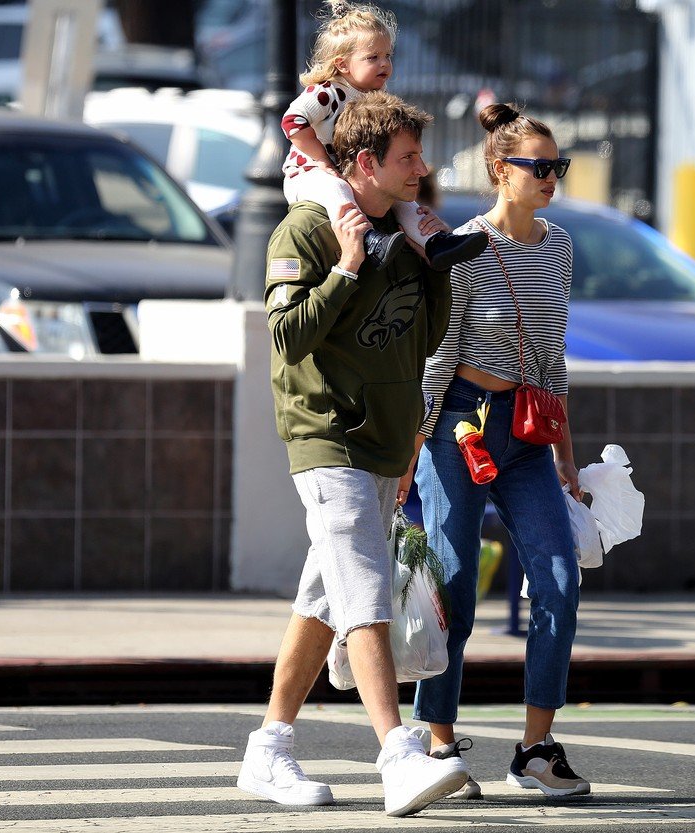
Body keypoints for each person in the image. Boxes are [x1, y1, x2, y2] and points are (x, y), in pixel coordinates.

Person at [236, 90, 469, 818]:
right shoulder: (304, 232)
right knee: (363, 590)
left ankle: (269, 747)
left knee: (320, 600)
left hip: (383, 444)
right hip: (327, 436)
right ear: (363, 163)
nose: (421, 170)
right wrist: (344, 267)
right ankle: (397, 754)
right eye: (408, 158)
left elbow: (423, 341)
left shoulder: (403, 236)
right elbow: (286, 339)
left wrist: (434, 267)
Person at [398, 102, 590, 799]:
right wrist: (408, 456)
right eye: (537, 167)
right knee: (454, 589)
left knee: (560, 583)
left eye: (556, 166)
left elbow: (554, 356)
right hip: (461, 427)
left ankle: (536, 751)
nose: (550, 177)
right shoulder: (465, 249)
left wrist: (567, 455)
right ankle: (441, 743)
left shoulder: (560, 246)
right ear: (497, 169)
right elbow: (437, 360)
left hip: (530, 434)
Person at [281, 0, 485, 271]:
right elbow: (292, 121)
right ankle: (368, 239)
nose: (384, 64)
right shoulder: (328, 91)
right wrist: (321, 161)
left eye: (388, 55)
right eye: (372, 57)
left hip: (348, 176)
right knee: (337, 188)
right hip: (307, 176)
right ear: (342, 64)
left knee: (403, 200)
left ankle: (436, 244)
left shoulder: (374, 98)